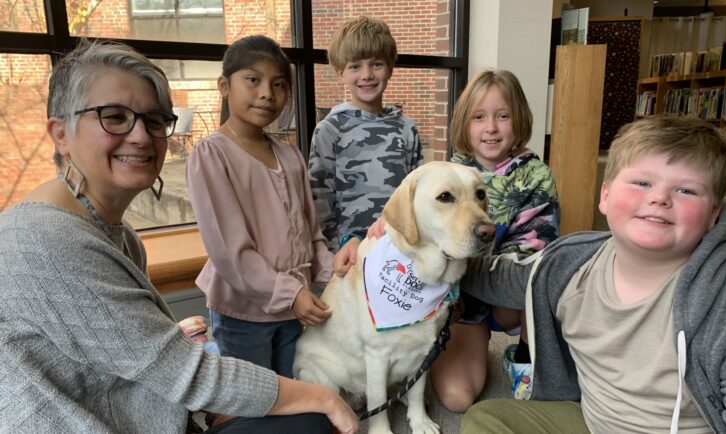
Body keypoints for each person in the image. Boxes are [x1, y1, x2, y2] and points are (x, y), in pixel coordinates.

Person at [0, 40, 357, 434]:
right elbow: (184, 369)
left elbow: (142, 365)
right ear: (60, 134)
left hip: (169, 407)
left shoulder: (120, 235)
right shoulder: (44, 241)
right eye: (114, 117)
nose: (139, 136)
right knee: (312, 414)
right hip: (242, 316)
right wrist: (319, 395)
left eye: (154, 121)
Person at [459, 115, 726, 433]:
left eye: (686, 191)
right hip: (596, 423)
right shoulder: (569, 264)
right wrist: (421, 258)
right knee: (487, 420)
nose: (659, 198)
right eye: (642, 182)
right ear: (605, 196)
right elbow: (494, 278)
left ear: (713, 216)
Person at [186, 35, 335, 379]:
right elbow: (230, 252)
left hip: (295, 306)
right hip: (244, 314)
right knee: (254, 396)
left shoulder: (290, 154)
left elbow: (311, 234)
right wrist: (289, 292)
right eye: (252, 80)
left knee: (292, 386)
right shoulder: (211, 155)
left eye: (279, 84)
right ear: (224, 85)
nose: (267, 93)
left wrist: (335, 273)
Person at [431, 69, 559, 413]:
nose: (491, 128)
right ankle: (458, 352)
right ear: (464, 123)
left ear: (518, 119)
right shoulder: (446, 173)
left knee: (540, 285)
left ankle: (523, 354)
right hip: (462, 302)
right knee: (456, 399)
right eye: (479, 117)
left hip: (512, 300)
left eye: (503, 116)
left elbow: (531, 259)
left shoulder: (537, 176)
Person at [308, 16, 423, 251]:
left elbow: (418, 197)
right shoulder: (330, 129)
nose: (367, 74)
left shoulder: (407, 129)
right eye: (355, 66)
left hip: (398, 249)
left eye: (377, 64)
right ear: (341, 72)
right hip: (346, 251)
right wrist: (330, 253)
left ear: (390, 68)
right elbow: (320, 200)